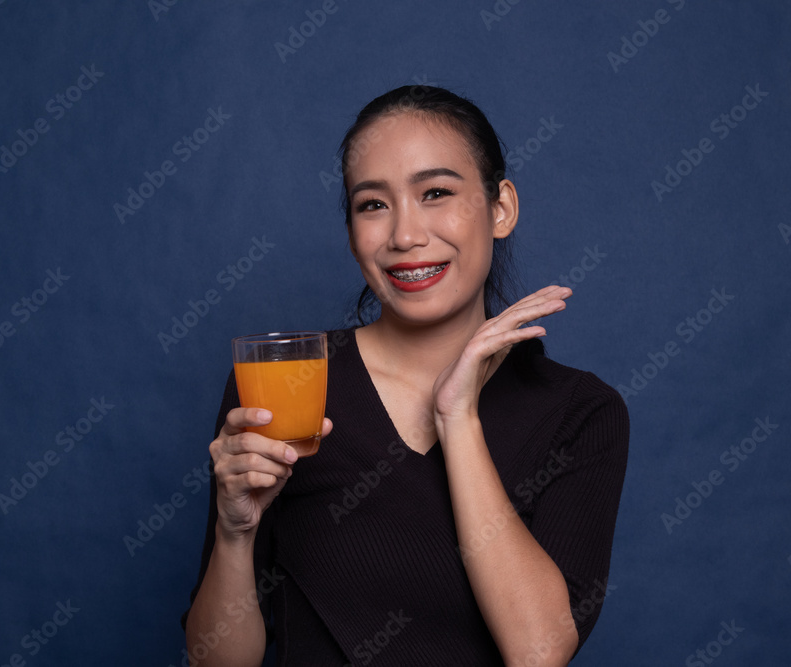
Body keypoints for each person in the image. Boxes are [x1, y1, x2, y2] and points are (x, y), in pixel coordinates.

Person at [183, 85, 629, 666]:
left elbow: (537, 652)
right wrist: (234, 533)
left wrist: (456, 416)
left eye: (436, 192)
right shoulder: (288, 383)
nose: (405, 236)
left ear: (501, 208)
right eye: (373, 204)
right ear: (350, 232)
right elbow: (216, 662)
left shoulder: (579, 412)